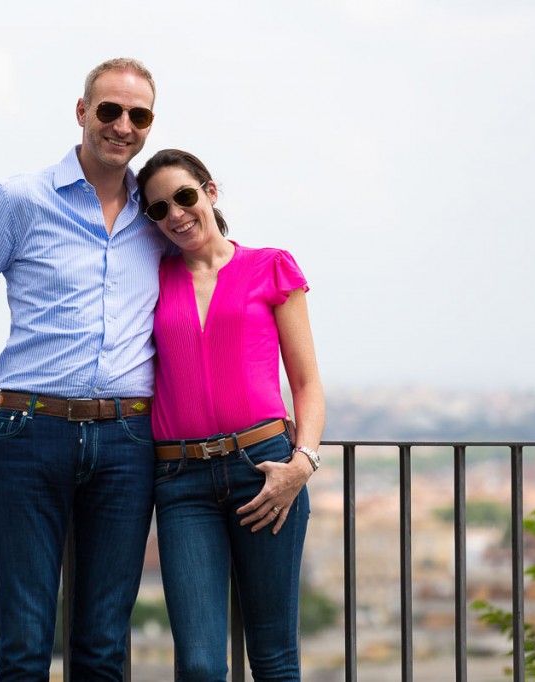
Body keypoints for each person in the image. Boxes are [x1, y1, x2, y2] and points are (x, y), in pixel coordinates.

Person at [0, 57, 166, 680]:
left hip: (128, 439)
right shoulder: (21, 200)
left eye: (138, 115)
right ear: (82, 113)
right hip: (32, 434)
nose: (122, 125)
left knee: (105, 646)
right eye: (109, 110)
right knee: (26, 643)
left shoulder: (160, 215)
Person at [136, 148, 325, 682]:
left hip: (265, 473)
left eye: (184, 197)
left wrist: (301, 464)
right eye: (157, 210)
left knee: (273, 659)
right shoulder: (152, 276)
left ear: (210, 192)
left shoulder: (269, 266)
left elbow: (307, 384)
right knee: (198, 665)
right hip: (181, 483)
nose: (174, 214)